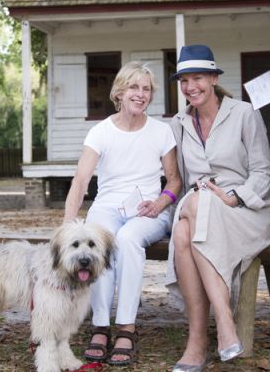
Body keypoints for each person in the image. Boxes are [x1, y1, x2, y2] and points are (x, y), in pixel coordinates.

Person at [166, 44, 270, 372]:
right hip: (198, 204)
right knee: (195, 208)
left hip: (245, 210)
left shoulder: (244, 113)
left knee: (188, 229)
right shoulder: (178, 122)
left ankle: (199, 339)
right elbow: (182, 179)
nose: (190, 87)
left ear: (214, 78)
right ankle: (222, 327)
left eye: (198, 78)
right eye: (184, 81)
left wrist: (236, 197)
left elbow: (264, 172)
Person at [63, 60, 181, 367]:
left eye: (146, 89)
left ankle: (126, 327)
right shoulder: (101, 131)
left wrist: (160, 203)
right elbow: (80, 180)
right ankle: (101, 325)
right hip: (107, 206)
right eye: (134, 87)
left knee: (127, 239)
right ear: (120, 92)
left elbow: (175, 180)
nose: (140, 94)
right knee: (101, 241)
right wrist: (67, 225)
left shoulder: (160, 131)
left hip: (149, 210)